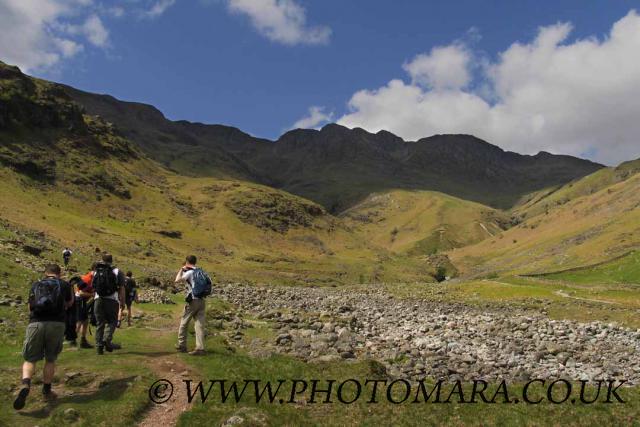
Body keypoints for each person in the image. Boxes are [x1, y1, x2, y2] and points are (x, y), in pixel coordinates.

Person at [14, 264, 73, 410]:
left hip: (36, 323)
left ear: (46, 272)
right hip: (57, 324)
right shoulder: (65, 285)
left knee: (30, 359)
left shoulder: (36, 284)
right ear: (60, 273)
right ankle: (47, 390)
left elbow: (30, 307)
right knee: (50, 358)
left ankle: (26, 384)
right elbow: (70, 303)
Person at [175, 255, 212, 356]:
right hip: (202, 301)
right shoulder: (202, 272)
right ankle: (200, 348)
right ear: (195, 262)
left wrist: (181, 269)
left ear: (187, 262)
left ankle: (182, 345)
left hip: (193, 301)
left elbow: (177, 280)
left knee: (184, 322)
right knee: (199, 325)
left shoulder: (189, 272)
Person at [92, 253, 125, 355]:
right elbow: (121, 288)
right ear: (112, 260)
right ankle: (107, 339)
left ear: (102, 259)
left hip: (98, 299)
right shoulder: (117, 271)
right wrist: (122, 302)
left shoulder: (96, 271)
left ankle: (99, 347)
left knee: (99, 323)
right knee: (112, 321)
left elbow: (94, 286)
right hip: (112, 300)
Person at [75, 265, 96, 349]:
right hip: (79, 300)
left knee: (85, 321)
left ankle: (83, 340)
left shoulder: (93, 278)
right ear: (94, 269)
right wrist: (92, 295)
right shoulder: (87, 278)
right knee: (80, 321)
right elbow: (80, 292)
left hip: (83, 301)